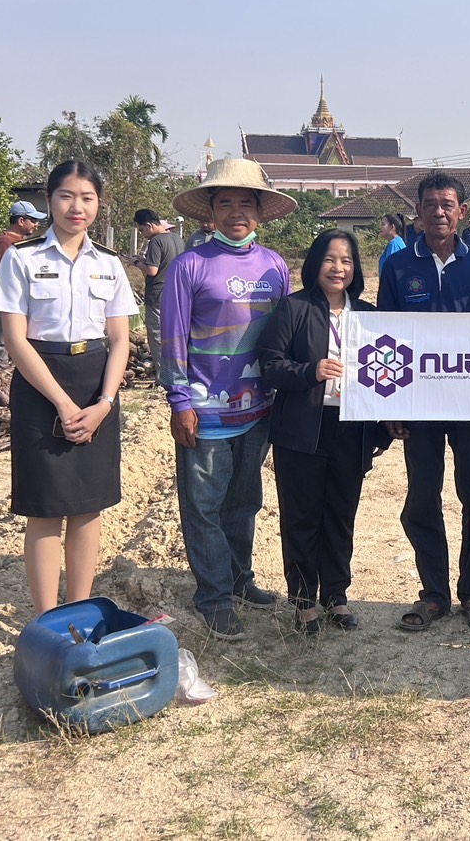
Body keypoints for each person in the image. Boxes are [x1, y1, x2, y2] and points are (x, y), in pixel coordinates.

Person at [0, 162, 137, 614]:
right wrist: (63, 403)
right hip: (40, 383)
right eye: (66, 196)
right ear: (49, 201)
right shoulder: (22, 258)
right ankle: (46, 618)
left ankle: (78, 608)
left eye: (87, 198)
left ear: (98, 204)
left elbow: (119, 339)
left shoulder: (110, 264)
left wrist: (104, 404)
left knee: (89, 506)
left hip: (95, 382)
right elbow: (15, 340)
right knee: (46, 507)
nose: (77, 207)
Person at [162, 158, 295, 640]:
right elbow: (173, 338)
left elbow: (286, 335)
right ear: (210, 213)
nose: (236, 212)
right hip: (205, 411)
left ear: (259, 212)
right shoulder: (188, 266)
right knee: (203, 507)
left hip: (258, 408)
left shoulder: (275, 265)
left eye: (245, 203)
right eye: (225, 203)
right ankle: (213, 597)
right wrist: (180, 401)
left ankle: (240, 580)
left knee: (244, 502)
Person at [376, 172, 470, 632]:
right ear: (419, 212)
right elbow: (384, 338)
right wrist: (389, 404)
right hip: (418, 405)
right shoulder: (399, 267)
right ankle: (434, 594)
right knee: (423, 497)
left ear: (462, 212)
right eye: (431, 204)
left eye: (448, 204)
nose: (440, 212)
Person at [258, 229, 387, 633]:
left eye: (346, 261)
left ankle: (336, 596)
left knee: (340, 515)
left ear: (356, 269)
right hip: (302, 428)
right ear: (315, 264)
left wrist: (389, 422)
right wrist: (309, 371)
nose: (338, 268)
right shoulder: (293, 309)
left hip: (351, 428)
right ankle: (303, 601)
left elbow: (386, 374)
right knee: (301, 516)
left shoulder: (367, 315)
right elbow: (270, 365)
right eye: (330, 259)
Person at [0, 200, 47, 370]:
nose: (35, 225)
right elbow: (2, 276)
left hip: (24, 300)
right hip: (9, 302)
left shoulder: (22, 242)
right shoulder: (4, 242)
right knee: (3, 341)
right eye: (32, 220)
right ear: (21, 221)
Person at [127, 210, 183, 375]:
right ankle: (178, 371)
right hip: (177, 294)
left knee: (158, 336)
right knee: (175, 336)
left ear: (149, 225)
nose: (143, 234)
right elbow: (166, 263)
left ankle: (163, 376)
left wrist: (137, 262)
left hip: (158, 295)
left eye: (142, 230)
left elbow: (152, 270)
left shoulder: (156, 241)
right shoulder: (177, 239)